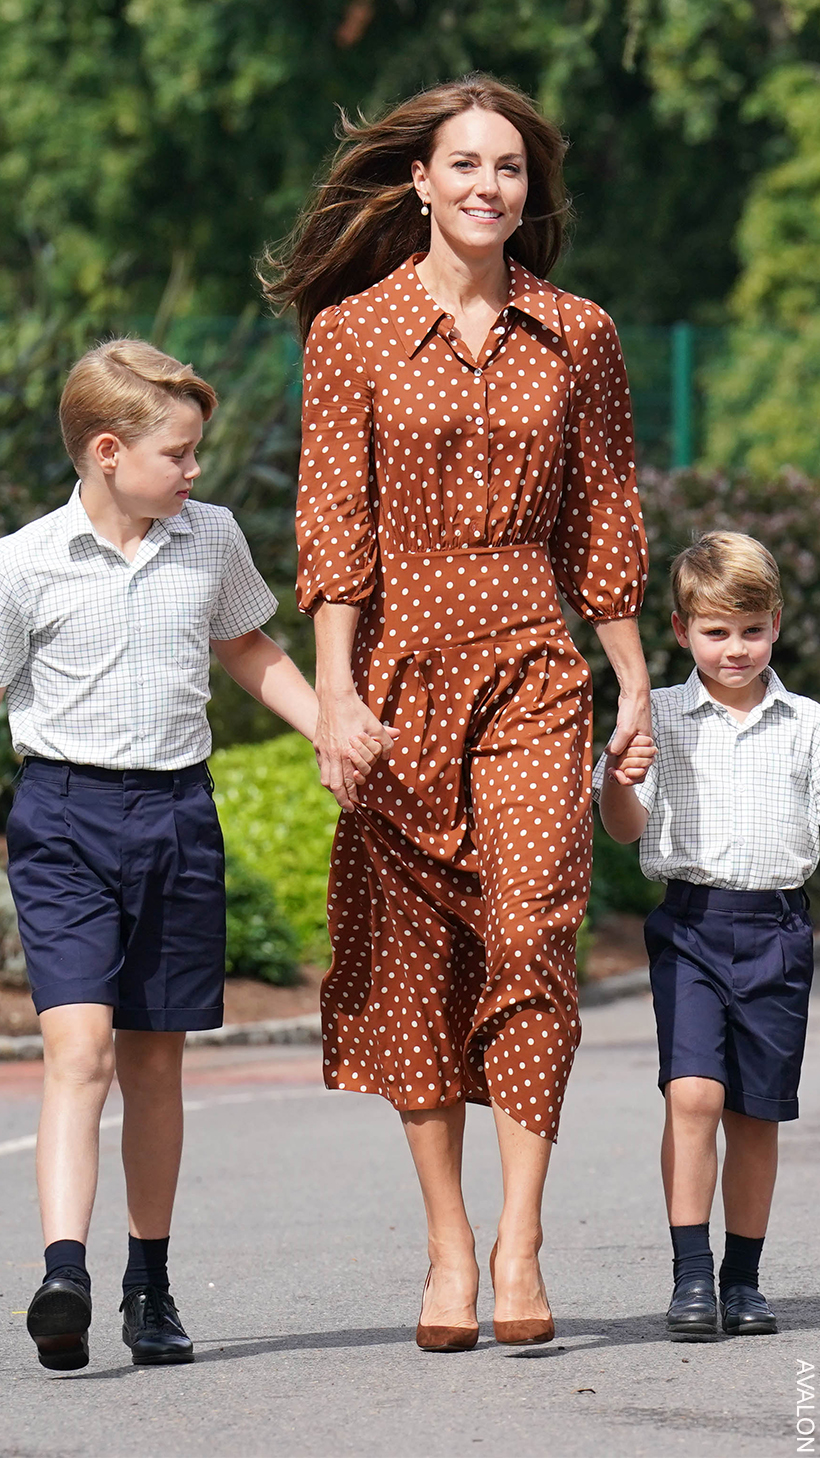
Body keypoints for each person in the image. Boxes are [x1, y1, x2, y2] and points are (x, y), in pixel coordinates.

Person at [261, 73, 650, 1349]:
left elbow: (602, 517)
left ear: (529, 192)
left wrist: (632, 674)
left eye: (511, 170)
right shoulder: (353, 335)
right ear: (419, 182)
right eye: (466, 165)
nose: (490, 187)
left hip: (537, 665)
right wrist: (332, 699)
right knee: (414, 958)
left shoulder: (577, 332)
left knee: (535, 928)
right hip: (395, 675)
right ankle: (444, 1249)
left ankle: (520, 1239)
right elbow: (333, 526)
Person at [0, 338, 385, 1372]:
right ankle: (65, 1272)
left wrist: (327, 728)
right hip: (63, 819)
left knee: (155, 1061)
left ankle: (149, 1282)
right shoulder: (23, 564)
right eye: (179, 453)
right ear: (110, 452)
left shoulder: (207, 539)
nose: (196, 470)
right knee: (76, 1051)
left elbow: (249, 648)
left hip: (176, 816)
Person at [595, 530, 817, 1339]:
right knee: (692, 1094)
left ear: (776, 626)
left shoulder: (808, 726)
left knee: (756, 1114)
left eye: (751, 630)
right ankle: (691, 1278)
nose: (735, 648)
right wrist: (620, 773)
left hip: (779, 928)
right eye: (716, 632)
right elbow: (623, 828)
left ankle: (744, 1280)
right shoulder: (658, 721)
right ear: (683, 631)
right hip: (692, 924)